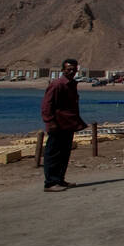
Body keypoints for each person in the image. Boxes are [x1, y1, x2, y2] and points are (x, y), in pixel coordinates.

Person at [40, 58, 87, 192]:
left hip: (68, 124)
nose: (71, 72)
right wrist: (49, 121)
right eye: (68, 69)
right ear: (62, 70)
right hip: (57, 125)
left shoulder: (71, 84)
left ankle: (60, 179)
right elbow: (46, 105)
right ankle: (50, 183)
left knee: (64, 153)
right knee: (53, 153)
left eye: (73, 69)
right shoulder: (57, 84)